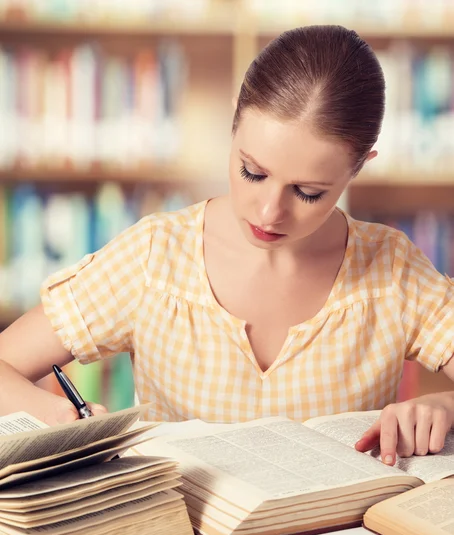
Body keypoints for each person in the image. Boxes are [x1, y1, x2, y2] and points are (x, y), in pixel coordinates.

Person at [1, 25, 454, 468]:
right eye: (252, 172)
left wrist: (444, 408)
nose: (268, 212)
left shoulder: (392, 269)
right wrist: (57, 417)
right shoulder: (154, 256)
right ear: (234, 120)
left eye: (308, 192)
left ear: (359, 166)